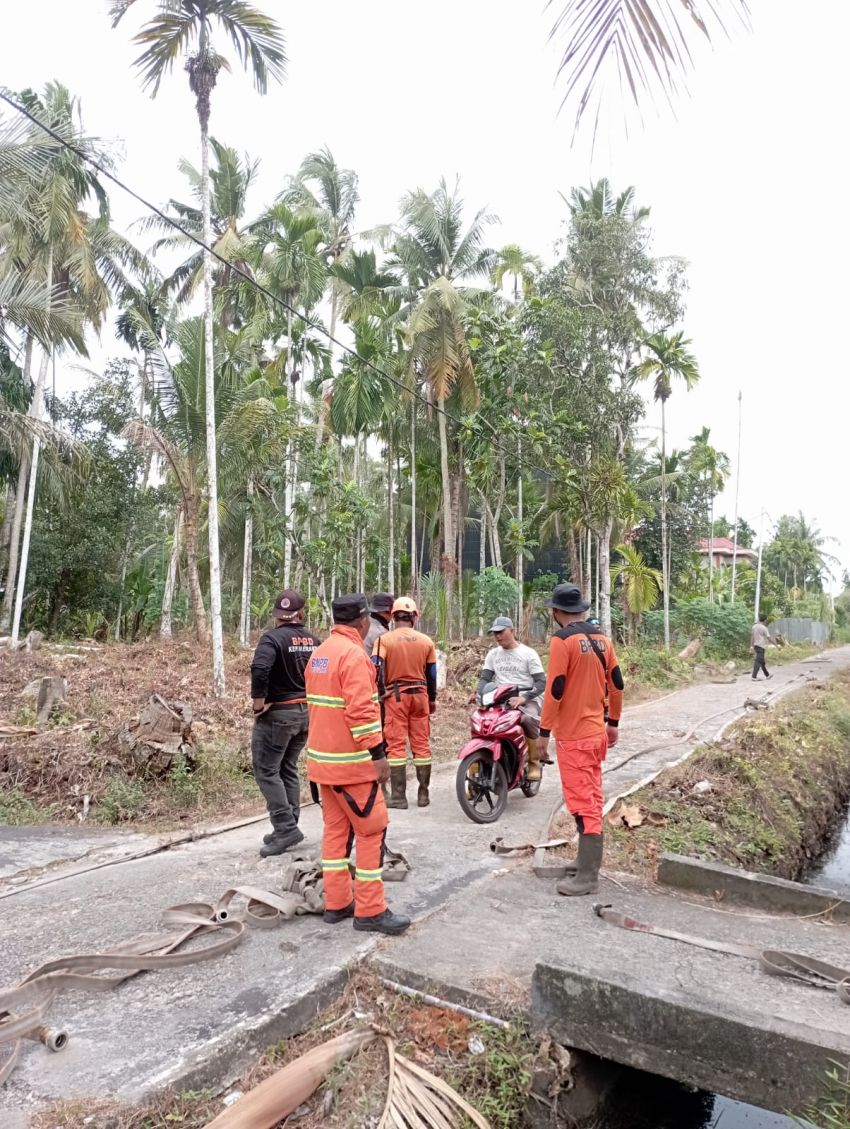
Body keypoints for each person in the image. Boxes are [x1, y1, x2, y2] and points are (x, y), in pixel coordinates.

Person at [305, 593, 410, 936]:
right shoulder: (354, 656)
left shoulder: (319, 655)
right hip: (352, 767)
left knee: (336, 835)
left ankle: (337, 903)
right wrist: (379, 756)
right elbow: (363, 715)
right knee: (371, 831)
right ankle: (371, 910)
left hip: (323, 766)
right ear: (363, 621)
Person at [539, 583, 625, 897]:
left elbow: (555, 688)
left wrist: (543, 732)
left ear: (556, 612)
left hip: (574, 737)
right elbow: (617, 684)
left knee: (583, 803)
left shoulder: (562, 641)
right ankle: (584, 862)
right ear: (582, 610)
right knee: (589, 797)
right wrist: (613, 722)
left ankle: (588, 875)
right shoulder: (603, 639)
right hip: (597, 733)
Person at [250, 589, 321, 857]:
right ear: (301, 613)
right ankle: (289, 824)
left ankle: (284, 827)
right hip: (306, 714)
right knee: (287, 767)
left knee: (267, 770)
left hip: (279, 714)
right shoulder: (315, 641)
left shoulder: (271, 639)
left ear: (278, 616)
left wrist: (259, 703)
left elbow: (260, 668)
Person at [374, 597, 437, 809]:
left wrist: (381, 692)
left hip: (396, 696)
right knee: (421, 744)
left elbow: (376, 668)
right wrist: (432, 699)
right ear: (414, 617)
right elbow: (432, 674)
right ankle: (423, 794)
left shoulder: (384, 640)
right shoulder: (426, 641)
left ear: (393, 617)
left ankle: (399, 796)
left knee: (396, 745)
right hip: (420, 696)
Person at [473, 616, 548, 781]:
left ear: (512, 631)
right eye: (495, 633)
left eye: (501, 632)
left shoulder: (528, 654)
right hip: (500, 699)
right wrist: (480, 695)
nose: (498, 636)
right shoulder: (493, 655)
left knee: (527, 719)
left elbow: (542, 682)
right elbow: (485, 679)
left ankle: (534, 762)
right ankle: (476, 769)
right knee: (481, 722)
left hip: (527, 698)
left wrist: (524, 698)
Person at [751, 614, 774, 681]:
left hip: (756, 646)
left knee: (762, 662)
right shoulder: (764, 628)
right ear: (765, 620)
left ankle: (767, 675)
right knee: (758, 661)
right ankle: (754, 677)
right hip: (761, 646)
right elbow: (769, 638)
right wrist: (775, 644)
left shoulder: (754, 627)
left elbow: (752, 636)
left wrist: (751, 645)